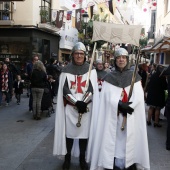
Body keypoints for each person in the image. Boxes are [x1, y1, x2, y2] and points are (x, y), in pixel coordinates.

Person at [89, 48, 150, 170]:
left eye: (123, 57)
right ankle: (113, 162)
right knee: (114, 140)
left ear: (127, 60)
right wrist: (118, 104)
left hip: (130, 116)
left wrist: (129, 106)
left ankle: (131, 161)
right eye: (118, 57)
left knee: (130, 139)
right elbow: (106, 98)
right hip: (114, 117)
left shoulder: (135, 77)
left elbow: (139, 97)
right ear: (115, 60)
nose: (121, 59)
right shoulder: (109, 77)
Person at [53, 42, 99, 170]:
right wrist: (76, 102)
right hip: (70, 109)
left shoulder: (91, 71)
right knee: (69, 134)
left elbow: (92, 88)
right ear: (72, 55)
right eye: (77, 53)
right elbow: (65, 89)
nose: (79, 56)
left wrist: (84, 102)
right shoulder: (66, 70)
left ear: (85, 55)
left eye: (81, 53)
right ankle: (67, 159)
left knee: (84, 135)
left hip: (86, 109)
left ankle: (82, 159)